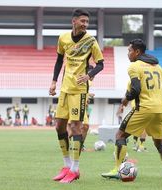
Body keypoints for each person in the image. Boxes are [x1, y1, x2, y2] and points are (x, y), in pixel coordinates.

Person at [101, 39, 162, 180]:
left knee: (120, 136)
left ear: (137, 52)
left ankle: (117, 169)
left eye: (129, 50)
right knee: (159, 143)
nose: (128, 53)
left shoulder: (134, 67)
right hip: (159, 109)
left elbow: (135, 89)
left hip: (144, 108)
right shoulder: (158, 67)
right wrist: (154, 95)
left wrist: (126, 99)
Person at [49, 9, 104, 183]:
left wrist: (89, 75)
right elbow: (59, 60)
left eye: (87, 22)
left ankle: (75, 169)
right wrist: (53, 82)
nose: (85, 25)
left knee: (75, 126)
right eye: (82, 21)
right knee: (59, 126)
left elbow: (101, 64)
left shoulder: (91, 41)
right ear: (74, 21)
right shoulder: (63, 38)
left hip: (80, 90)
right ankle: (67, 166)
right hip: (65, 88)